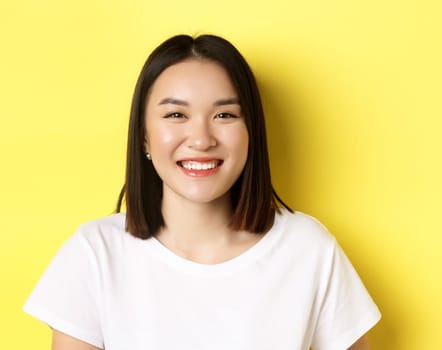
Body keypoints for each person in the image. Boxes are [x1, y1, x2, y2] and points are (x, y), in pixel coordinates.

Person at [23, 34, 381, 350]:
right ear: (144, 136)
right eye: (176, 115)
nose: (201, 139)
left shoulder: (308, 249)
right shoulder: (94, 254)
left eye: (224, 115)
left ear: (250, 132)